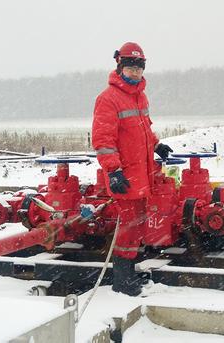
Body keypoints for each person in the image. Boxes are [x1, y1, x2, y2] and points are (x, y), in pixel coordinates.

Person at [92, 42, 173, 295]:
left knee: (137, 224)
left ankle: (129, 272)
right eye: (130, 68)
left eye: (139, 68)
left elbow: (143, 129)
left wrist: (157, 145)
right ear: (120, 67)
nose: (135, 73)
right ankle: (122, 280)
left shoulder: (140, 96)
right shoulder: (108, 99)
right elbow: (103, 141)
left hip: (142, 175)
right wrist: (114, 171)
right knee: (128, 226)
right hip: (125, 176)